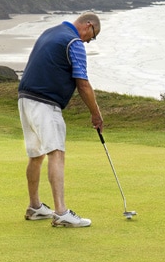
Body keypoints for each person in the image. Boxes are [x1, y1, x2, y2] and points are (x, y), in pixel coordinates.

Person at [18, 12, 103, 228]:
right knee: (56, 153)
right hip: (45, 103)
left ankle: (35, 206)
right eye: (92, 36)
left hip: (25, 99)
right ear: (89, 25)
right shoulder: (73, 42)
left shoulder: (50, 31)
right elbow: (82, 83)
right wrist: (96, 114)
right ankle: (61, 212)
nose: (88, 41)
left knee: (36, 155)